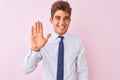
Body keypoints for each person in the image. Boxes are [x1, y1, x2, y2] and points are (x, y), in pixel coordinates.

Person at [22, 1, 88, 80]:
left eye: (66, 18)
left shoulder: (77, 43)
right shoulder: (43, 43)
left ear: (69, 21)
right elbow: (26, 70)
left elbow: (82, 70)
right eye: (58, 18)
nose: (62, 22)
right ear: (51, 20)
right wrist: (35, 50)